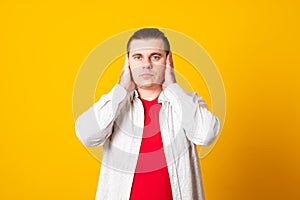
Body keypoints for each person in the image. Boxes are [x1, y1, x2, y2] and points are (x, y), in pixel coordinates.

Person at [75, 28, 220, 200]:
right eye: (138, 57)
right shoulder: (115, 104)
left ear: (168, 60)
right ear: (128, 61)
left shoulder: (188, 103)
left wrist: (173, 87)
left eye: (155, 56)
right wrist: (121, 89)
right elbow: (87, 135)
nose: (146, 64)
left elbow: (206, 135)